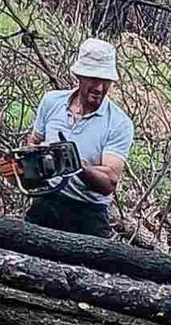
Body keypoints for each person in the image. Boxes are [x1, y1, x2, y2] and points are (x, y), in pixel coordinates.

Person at [15, 37, 134, 238]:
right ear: (79, 76)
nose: (99, 88)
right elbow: (33, 141)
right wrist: (29, 164)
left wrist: (77, 165)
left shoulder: (119, 123)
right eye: (94, 79)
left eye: (105, 81)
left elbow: (109, 183)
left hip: (88, 215)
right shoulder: (51, 102)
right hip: (47, 202)